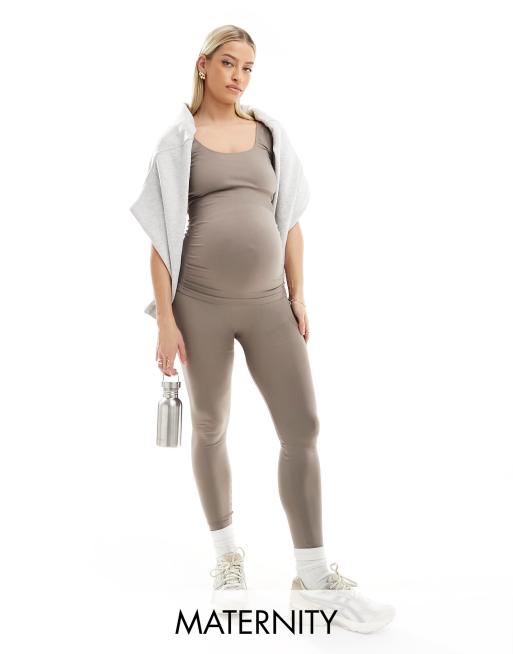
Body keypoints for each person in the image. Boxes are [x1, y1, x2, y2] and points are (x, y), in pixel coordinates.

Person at [131, 24, 395, 633]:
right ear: (203, 65)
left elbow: (291, 221)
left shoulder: (270, 134)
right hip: (200, 305)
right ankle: (228, 559)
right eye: (229, 63)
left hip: (269, 304)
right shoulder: (176, 142)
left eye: (248, 67)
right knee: (210, 425)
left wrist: (299, 295)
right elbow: (160, 241)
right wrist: (165, 322)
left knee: (302, 427)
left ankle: (314, 576)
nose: (239, 76)